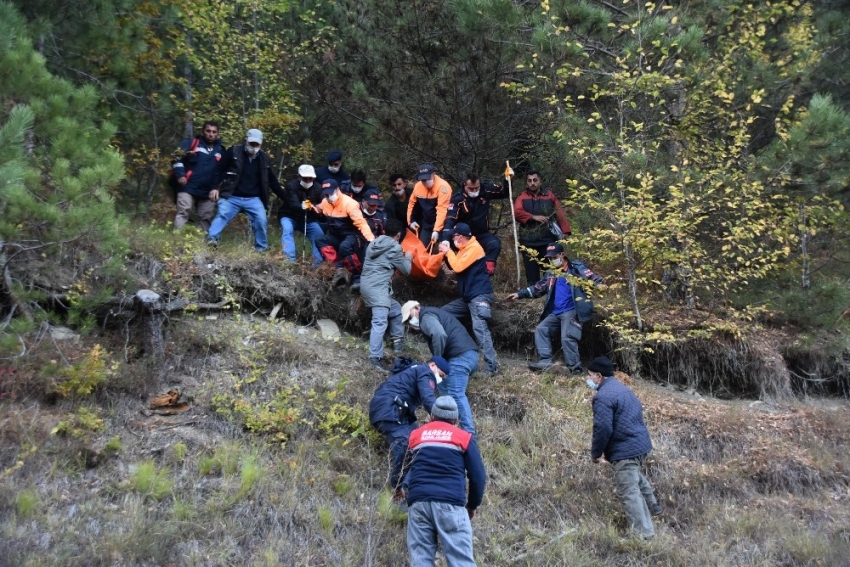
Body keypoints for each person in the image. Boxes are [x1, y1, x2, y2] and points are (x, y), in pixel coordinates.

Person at [404, 395, 486, 567]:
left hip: (418, 503)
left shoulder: (415, 436)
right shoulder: (463, 437)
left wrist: (400, 487)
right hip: (451, 505)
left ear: (432, 417)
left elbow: (403, 466)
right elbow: (478, 476)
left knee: (420, 561)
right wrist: (472, 505)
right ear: (456, 420)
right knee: (461, 561)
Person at [587, 356, 661, 539]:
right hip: (641, 445)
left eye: (588, 375)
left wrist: (596, 453)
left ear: (598, 376)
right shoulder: (623, 389)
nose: (586, 379)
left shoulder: (603, 397)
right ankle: (654, 507)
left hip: (625, 449)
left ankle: (644, 536)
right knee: (633, 475)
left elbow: (603, 428)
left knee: (628, 490)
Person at [506, 243, 603, 374]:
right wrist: (519, 294)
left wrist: (599, 284)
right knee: (541, 329)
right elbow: (538, 288)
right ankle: (545, 361)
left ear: (562, 255)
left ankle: (575, 370)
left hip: (572, 310)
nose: (552, 260)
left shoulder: (575, 268)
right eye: (550, 258)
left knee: (567, 337)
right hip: (556, 312)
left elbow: (593, 277)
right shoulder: (551, 273)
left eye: (554, 257)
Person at [368, 357, 446, 493]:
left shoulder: (413, 369)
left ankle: (407, 486)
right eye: (441, 375)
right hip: (390, 411)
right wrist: (442, 420)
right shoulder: (425, 372)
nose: (441, 379)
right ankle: (398, 490)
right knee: (408, 447)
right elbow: (428, 397)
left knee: (420, 440)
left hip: (388, 410)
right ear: (433, 365)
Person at [401, 301, 478, 435]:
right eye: (407, 321)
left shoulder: (425, 316)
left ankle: (469, 434)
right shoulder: (433, 313)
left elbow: (439, 334)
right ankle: (448, 428)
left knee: (455, 393)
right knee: (442, 387)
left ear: (417, 308)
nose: (410, 321)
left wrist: (438, 359)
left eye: (409, 317)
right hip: (466, 355)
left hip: (460, 357)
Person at [207, 128, 285, 251]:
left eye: (257, 144)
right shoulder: (233, 151)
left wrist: (285, 198)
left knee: (261, 220)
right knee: (222, 214)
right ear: (246, 140)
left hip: (253, 198)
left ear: (261, 144)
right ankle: (212, 240)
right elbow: (218, 169)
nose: (254, 146)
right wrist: (214, 188)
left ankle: (261, 249)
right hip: (232, 196)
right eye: (251, 143)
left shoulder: (264, 159)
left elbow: (272, 181)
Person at [438, 223, 498, 376]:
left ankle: (491, 367)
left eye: (454, 237)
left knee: (480, 329)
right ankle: (456, 349)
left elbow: (458, 267)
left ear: (462, 237)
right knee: (443, 314)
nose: (452, 239)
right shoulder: (464, 249)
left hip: (479, 295)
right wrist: (446, 254)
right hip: (469, 297)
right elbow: (453, 266)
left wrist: (448, 251)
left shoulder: (474, 248)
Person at [361, 218, 413, 369]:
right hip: (378, 288)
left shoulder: (374, 243)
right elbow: (406, 270)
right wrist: (408, 256)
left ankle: (397, 343)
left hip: (366, 286)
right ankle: (375, 358)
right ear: (398, 235)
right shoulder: (395, 248)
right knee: (379, 321)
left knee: (396, 310)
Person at [443, 173, 510, 275]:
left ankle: (487, 270)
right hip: (464, 235)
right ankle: (455, 269)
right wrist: (446, 237)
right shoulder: (458, 198)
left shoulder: (486, 189)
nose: (474, 191)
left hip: (481, 232)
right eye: (471, 188)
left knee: (495, 245)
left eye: (476, 188)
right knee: (445, 241)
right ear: (465, 185)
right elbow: (450, 219)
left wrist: (507, 180)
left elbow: (505, 193)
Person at [513, 170, 571, 284]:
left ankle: (550, 291)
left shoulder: (549, 195)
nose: (532, 183)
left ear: (540, 182)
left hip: (547, 240)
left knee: (550, 271)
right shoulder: (522, 197)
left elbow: (560, 213)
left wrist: (566, 231)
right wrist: (532, 217)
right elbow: (516, 212)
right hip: (528, 241)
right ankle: (534, 293)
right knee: (532, 274)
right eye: (529, 181)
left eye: (535, 180)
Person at [313, 179, 375, 286]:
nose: (328, 196)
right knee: (320, 240)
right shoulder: (325, 202)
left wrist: (371, 239)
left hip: (354, 235)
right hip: (336, 235)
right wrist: (313, 207)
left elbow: (361, 223)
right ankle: (337, 268)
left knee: (344, 246)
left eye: (330, 193)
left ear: (337, 190)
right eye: (326, 194)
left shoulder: (350, 204)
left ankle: (357, 276)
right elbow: (320, 208)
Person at [172, 120, 225, 232]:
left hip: (208, 191)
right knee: (183, 211)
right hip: (187, 186)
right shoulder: (191, 143)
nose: (211, 134)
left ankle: (199, 245)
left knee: (206, 218)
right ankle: (176, 240)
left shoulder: (221, 150)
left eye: (214, 132)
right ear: (203, 131)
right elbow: (176, 158)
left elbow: (223, 171)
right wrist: (180, 174)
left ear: (217, 133)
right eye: (208, 131)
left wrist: (217, 188)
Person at [278, 164, 325, 266]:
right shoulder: (291, 186)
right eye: (305, 178)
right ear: (299, 176)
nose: (308, 181)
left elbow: (321, 204)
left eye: (310, 178)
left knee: (319, 235)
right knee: (287, 230)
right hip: (289, 216)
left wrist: (315, 207)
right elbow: (293, 204)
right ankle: (289, 261)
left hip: (308, 219)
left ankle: (318, 264)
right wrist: (302, 206)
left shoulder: (317, 187)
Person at [407, 164, 453, 247]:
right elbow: (412, 204)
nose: (425, 182)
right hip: (427, 224)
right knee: (422, 248)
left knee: (444, 250)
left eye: (427, 178)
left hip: (443, 224)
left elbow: (442, 210)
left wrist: (436, 230)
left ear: (433, 174)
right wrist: (410, 221)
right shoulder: (418, 187)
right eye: (423, 180)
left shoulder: (443, 187)